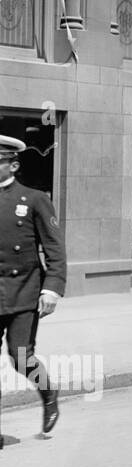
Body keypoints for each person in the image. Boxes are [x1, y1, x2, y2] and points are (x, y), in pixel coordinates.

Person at [0, 135, 65, 445]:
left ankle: (49, 393)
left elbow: (54, 247)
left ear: (12, 164)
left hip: (24, 291)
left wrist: (52, 289)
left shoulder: (34, 199)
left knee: (21, 356)